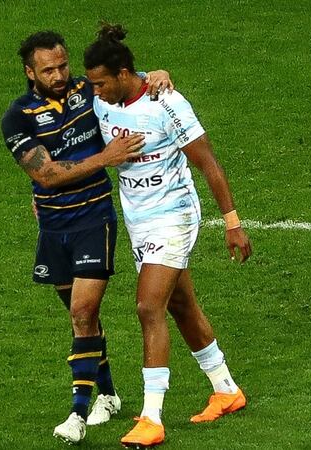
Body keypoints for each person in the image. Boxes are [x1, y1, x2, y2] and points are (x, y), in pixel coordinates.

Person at [83, 24, 253, 448]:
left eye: (102, 83)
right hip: (138, 219)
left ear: (124, 74)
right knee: (180, 304)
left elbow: (208, 163)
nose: (96, 91)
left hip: (174, 216)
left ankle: (151, 417)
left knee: (147, 305)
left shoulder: (167, 103)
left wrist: (232, 222)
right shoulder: (99, 97)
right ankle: (227, 389)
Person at [0, 30, 174, 445]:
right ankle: (109, 395)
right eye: (48, 70)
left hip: (95, 220)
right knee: (84, 320)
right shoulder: (18, 117)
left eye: (62, 65)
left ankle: (77, 413)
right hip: (54, 228)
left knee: (82, 311)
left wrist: (158, 74)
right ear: (30, 72)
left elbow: (128, 81)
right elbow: (46, 174)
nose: (59, 74)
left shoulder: (86, 90)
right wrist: (105, 158)